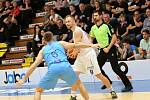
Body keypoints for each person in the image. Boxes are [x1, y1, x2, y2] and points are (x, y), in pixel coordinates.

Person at [16, 32, 99, 100]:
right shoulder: (60, 43)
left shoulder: (43, 50)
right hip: (65, 67)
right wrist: (91, 45)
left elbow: (33, 66)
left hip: (53, 69)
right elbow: (76, 45)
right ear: (52, 38)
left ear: (44, 40)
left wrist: (24, 79)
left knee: (38, 91)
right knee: (79, 84)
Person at [65, 15, 117, 99]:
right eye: (66, 21)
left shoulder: (77, 31)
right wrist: (74, 52)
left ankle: (112, 90)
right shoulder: (74, 31)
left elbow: (78, 45)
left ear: (74, 21)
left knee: (98, 75)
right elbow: (78, 45)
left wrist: (74, 52)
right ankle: (73, 95)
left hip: (88, 55)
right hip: (81, 56)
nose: (67, 23)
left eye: (69, 21)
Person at [90, 10, 133, 92]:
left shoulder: (107, 26)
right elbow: (91, 38)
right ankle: (108, 81)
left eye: (96, 15)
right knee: (97, 67)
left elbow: (114, 38)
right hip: (103, 50)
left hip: (110, 49)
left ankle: (128, 85)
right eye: (93, 16)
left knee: (115, 68)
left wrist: (108, 48)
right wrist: (89, 46)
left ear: (100, 16)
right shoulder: (93, 28)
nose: (94, 17)